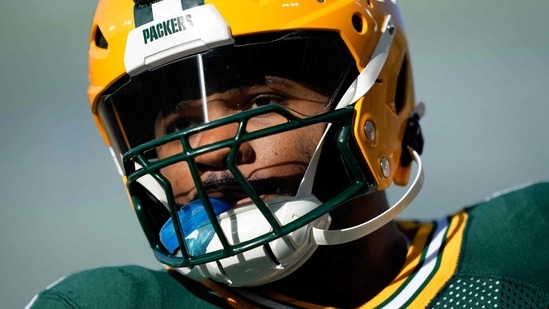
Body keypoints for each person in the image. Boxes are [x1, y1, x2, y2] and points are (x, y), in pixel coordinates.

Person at [27, 0, 549, 308]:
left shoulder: (526, 247)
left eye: (260, 103)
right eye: (181, 125)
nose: (208, 150)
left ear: (377, 101)